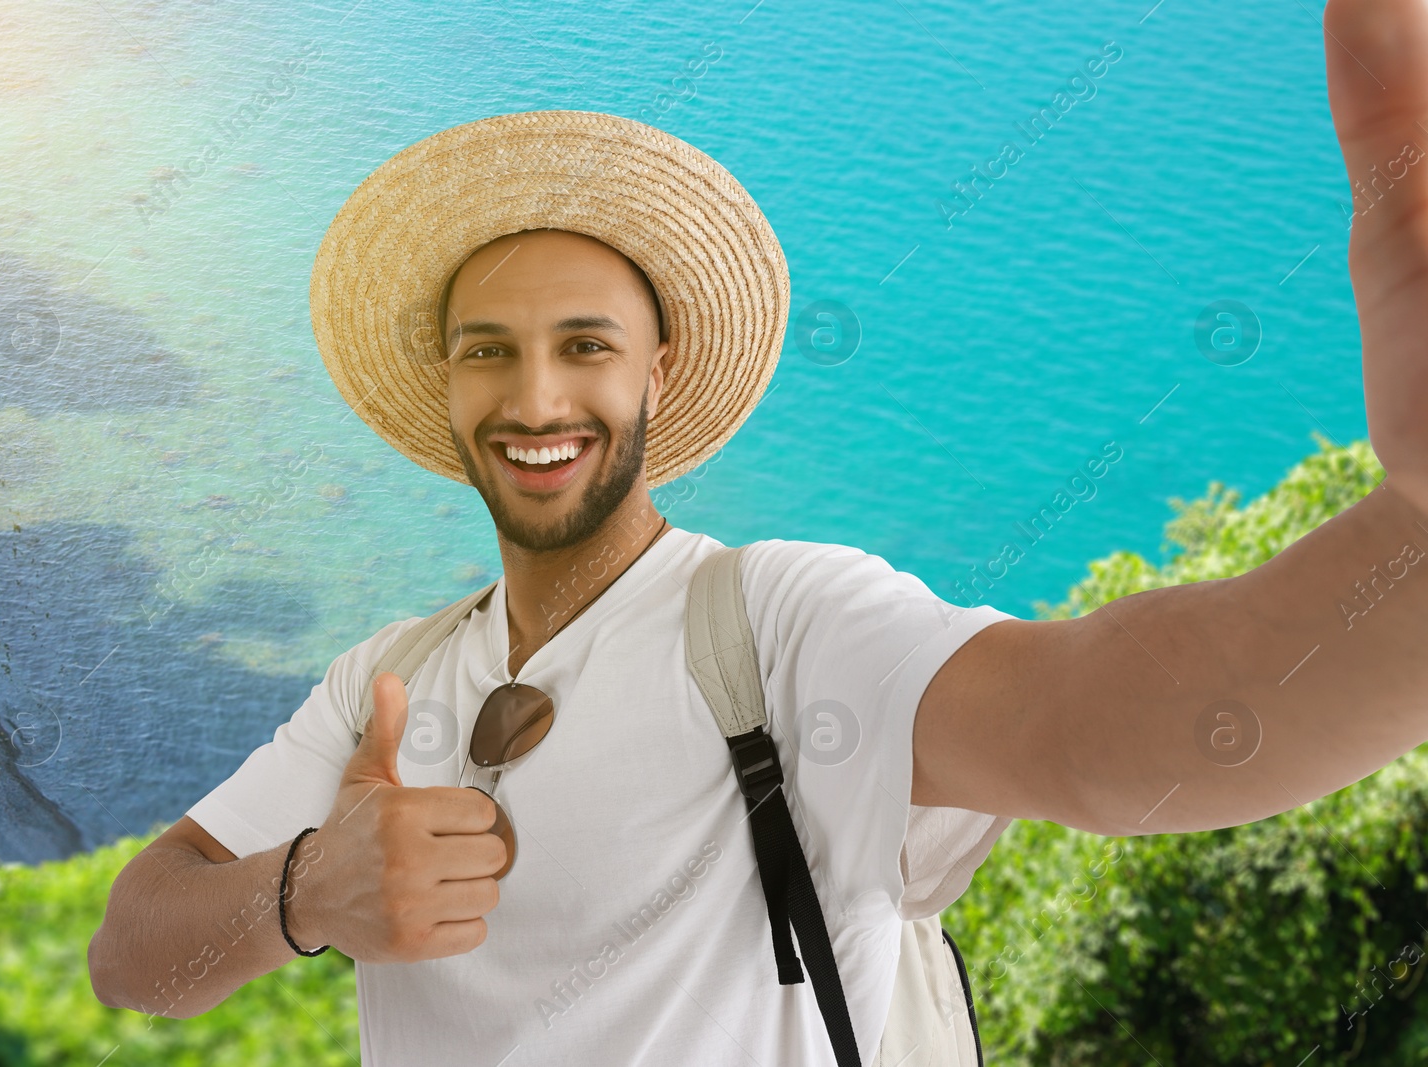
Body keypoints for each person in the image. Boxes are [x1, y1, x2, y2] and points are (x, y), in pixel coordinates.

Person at [87, 2, 1428, 1062]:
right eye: (489, 350)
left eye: (585, 347)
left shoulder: (782, 626)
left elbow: (1124, 727)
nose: (537, 397)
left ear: (658, 373)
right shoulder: (389, 677)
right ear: (446, 388)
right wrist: (302, 894)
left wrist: (1415, 538)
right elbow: (136, 952)